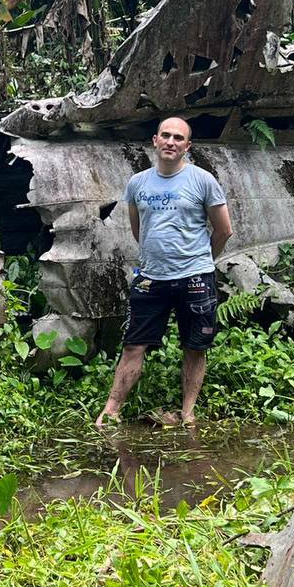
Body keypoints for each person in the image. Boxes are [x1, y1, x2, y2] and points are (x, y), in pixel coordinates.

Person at [95, 117, 233, 428]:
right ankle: (112, 409)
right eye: (166, 136)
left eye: (178, 138)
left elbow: (224, 230)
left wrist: (200, 261)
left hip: (195, 277)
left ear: (188, 146)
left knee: (194, 347)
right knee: (134, 344)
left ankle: (187, 413)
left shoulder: (203, 181)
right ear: (155, 140)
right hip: (150, 278)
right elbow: (138, 229)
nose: (171, 142)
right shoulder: (138, 183)